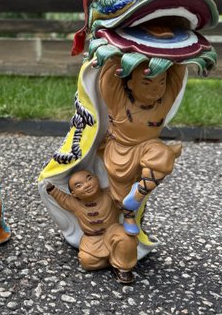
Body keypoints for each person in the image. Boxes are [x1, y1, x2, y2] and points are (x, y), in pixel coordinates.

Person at [98, 57, 185, 235]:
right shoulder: (119, 101)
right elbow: (108, 78)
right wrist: (115, 54)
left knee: (162, 155)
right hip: (120, 150)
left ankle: (138, 194)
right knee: (119, 196)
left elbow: (177, 73)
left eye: (161, 82)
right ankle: (128, 215)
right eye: (146, 83)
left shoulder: (164, 102)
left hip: (148, 146)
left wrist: (178, 51)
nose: (156, 88)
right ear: (130, 84)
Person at [46, 170, 138, 284]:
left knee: (126, 238)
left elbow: (123, 191)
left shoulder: (109, 194)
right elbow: (63, 198)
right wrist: (51, 189)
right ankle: (114, 258)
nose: (87, 185)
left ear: (97, 178)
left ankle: (123, 268)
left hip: (113, 231)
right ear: (74, 194)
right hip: (92, 240)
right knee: (86, 261)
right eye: (79, 186)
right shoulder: (75, 203)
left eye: (89, 179)